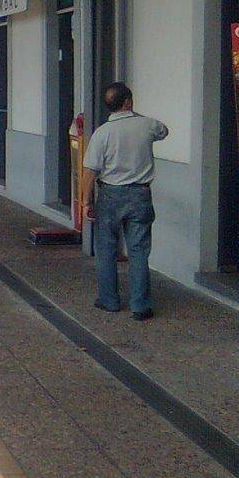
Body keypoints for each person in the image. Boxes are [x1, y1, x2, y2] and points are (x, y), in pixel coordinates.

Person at [80, 82, 168, 321]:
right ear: (128, 102)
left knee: (106, 250)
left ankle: (109, 301)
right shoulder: (147, 125)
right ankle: (140, 306)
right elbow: (164, 131)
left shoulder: (102, 133)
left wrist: (85, 202)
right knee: (139, 250)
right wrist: (135, 117)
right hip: (140, 194)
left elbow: (90, 171)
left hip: (109, 196)